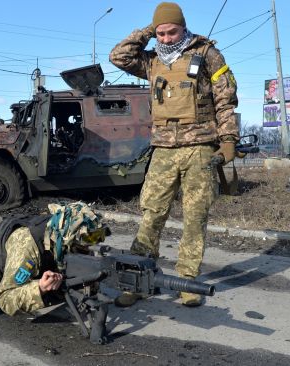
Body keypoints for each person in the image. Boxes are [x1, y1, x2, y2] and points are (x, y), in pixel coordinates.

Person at [109, 2, 239, 307]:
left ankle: (187, 281)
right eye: (161, 33)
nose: (166, 38)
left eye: (172, 31)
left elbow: (225, 100)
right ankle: (138, 280)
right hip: (164, 149)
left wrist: (229, 138)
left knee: (195, 217)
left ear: (184, 28)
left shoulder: (207, 54)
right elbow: (118, 56)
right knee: (151, 214)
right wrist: (146, 32)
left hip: (199, 147)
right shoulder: (151, 61)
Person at [0, 202, 109, 316]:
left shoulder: (73, 242)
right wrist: (38, 288)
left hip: (19, 248)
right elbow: (5, 297)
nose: (93, 244)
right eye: (89, 239)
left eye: (97, 238)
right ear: (67, 237)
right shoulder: (28, 248)